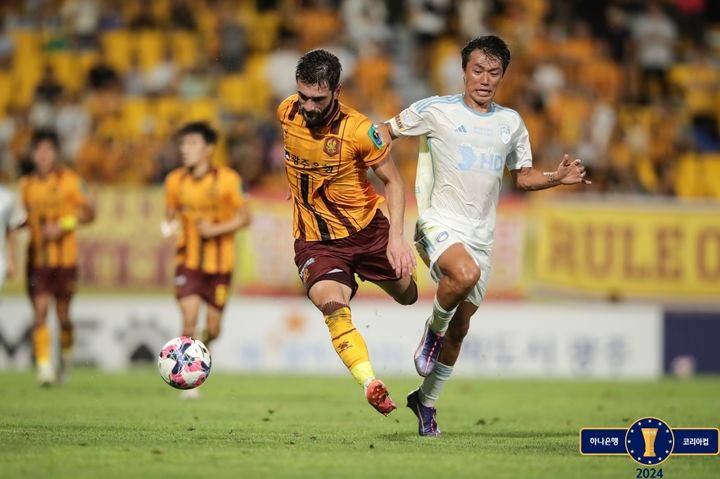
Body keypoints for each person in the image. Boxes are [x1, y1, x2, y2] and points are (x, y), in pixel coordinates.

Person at [378, 35, 590, 436]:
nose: (485, 79)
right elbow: (383, 132)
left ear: (503, 76)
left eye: (494, 72)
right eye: (477, 70)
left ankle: (425, 401)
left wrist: (555, 178)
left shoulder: (511, 123)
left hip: (481, 237)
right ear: (463, 71)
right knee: (464, 276)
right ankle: (431, 331)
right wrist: (367, 167)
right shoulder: (436, 110)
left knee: (462, 328)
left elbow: (522, 176)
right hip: (439, 223)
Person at [277, 49, 417, 416]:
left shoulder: (359, 130)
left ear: (337, 92)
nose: (306, 106)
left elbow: (395, 183)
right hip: (317, 242)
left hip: (368, 233)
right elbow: (295, 155)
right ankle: (371, 383)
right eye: (303, 95)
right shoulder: (286, 111)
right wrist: (298, 186)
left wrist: (397, 239)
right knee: (333, 306)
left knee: (408, 295)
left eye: (317, 99)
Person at [163, 121, 250, 397]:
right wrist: (168, 226)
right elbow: (170, 213)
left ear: (209, 149)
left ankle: (201, 344)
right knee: (189, 320)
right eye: (182, 144)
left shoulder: (228, 180)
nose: (185, 150)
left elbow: (245, 217)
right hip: (188, 261)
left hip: (220, 266)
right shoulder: (174, 181)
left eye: (191, 144)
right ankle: (188, 382)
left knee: (213, 329)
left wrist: (214, 229)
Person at [19, 129, 95, 385]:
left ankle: (66, 355)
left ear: (56, 153)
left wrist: (63, 224)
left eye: (48, 150)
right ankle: (44, 368)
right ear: (32, 154)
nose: (43, 155)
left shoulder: (71, 181)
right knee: (40, 312)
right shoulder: (25, 185)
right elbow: (19, 218)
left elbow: (90, 213)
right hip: (37, 260)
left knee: (63, 318)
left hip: (65, 261)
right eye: (38, 150)